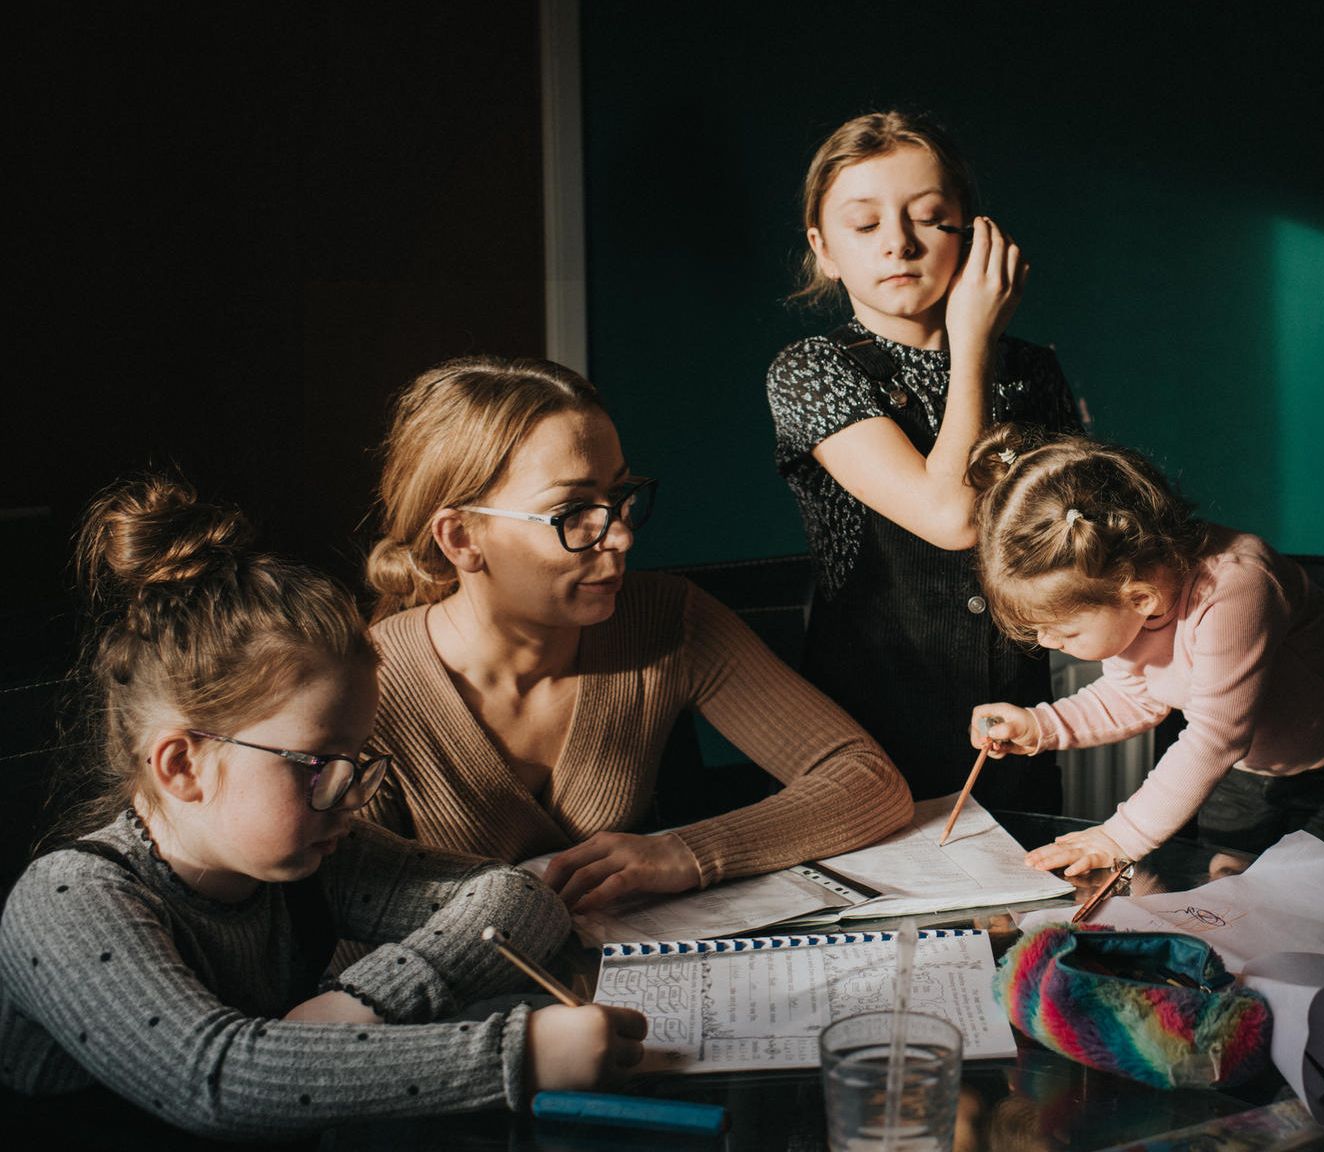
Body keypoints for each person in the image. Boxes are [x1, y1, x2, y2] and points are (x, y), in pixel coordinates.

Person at [0, 476, 645, 1140]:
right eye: (318, 765)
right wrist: (520, 1055)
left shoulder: (311, 854)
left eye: (358, 758)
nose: (348, 795)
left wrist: (359, 1003)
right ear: (182, 765)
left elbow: (519, 899)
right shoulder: (67, 902)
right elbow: (215, 1081)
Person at [364, 355, 911, 912]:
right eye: (573, 510)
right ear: (460, 539)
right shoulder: (368, 688)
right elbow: (339, 940)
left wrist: (689, 851)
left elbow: (867, 782)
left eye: (620, 496)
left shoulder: (663, 618)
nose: (620, 536)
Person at [766, 109, 1083, 811]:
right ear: (824, 247)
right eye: (865, 223)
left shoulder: (1031, 370)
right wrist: (972, 340)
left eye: (929, 216)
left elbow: (1073, 537)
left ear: (971, 234)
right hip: (871, 742)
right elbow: (950, 516)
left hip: (1014, 732)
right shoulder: (811, 370)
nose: (899, 244)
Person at [963, 426, 1324, 879]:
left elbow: (1216, 735)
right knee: (1227, 896)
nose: (1048, 642)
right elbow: (1135, 696)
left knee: (1316, 906)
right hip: (1245, 766)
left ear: (1140, 599)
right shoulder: (1127, 584)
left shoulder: (1235, 587)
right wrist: (1040, 725)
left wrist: (1119, 837)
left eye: (1062, 631)